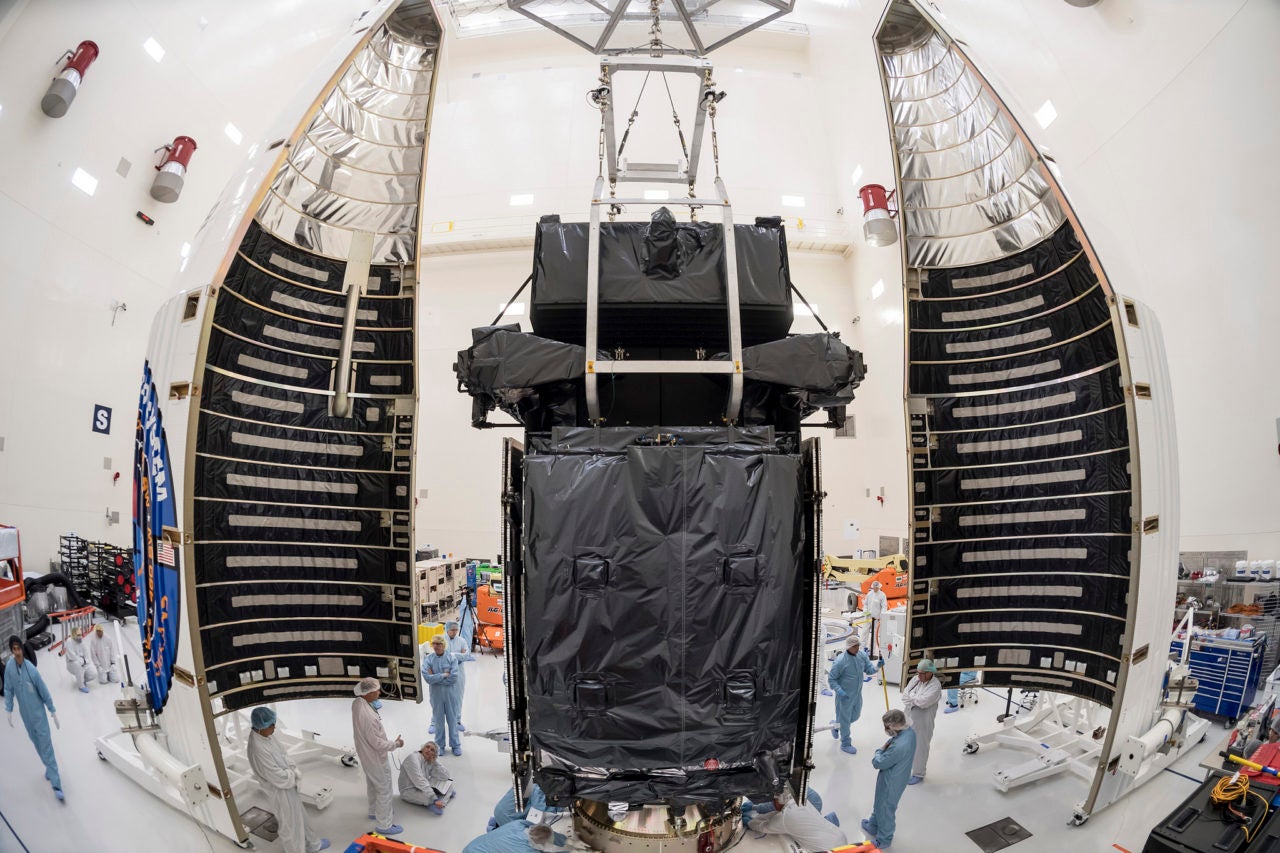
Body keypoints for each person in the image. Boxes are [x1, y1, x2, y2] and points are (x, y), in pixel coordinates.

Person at [246, 706, 330, 853]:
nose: (274, 727)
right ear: (261, 726)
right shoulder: (257, 749)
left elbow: (283, 754)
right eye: (271, 725)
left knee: (302, 817)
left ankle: (313, 845)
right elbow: (275, 776)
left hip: (288, 786)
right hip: (279, 791)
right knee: (289, 827)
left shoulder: (267, 736)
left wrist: (293, 768)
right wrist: (293, 775)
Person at [4, 635, 63, 801]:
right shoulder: (9, 668)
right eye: (14, 649)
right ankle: (48, 767)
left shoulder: (31, 670)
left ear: (22, 649)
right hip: (26, 717)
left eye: (18, 649)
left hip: (39, 716)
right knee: (37, 745)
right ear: (11, 650)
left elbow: (44, 692)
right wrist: (8, 709)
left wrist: (52, 711)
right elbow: (8, 689)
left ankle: (56, 784)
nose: (17, 652)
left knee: (46, 746)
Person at [351, 677, 404, 835]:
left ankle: (374, 811)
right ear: (367, 692)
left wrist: (371, 706)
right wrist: (396, 744)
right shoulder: (369, 717)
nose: (379, 692)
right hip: (375, 757)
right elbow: (378, 744)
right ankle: (384, 824)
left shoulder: (357, 703)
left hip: (365, 754)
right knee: (384, 789)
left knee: (373, 784)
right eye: (376, 690)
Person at [861, 709, 916, 850]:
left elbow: (878, 763)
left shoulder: (899, 746)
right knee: (880, 803)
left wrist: (879, 751)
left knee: (886, 808)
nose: (886, 729)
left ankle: (884, 839)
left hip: (891, 780)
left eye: (887, 727)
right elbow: (894, 741)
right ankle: (873, 825)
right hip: (897, 774)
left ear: (895, 725)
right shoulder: (909, 732)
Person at [827, 634, 883, 754]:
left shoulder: (862, 655)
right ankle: (845, 743)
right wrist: (839, 690)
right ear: (849, 647)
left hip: (857, 694)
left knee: (856, 716)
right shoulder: (840, 661)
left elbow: (869, 670)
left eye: (858, 645)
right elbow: (832, 679)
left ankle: (836, 725)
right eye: (855, 646)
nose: (858, 648)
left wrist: (877, 666)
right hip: (844, 697)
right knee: (845, 721)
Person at [748, 789, 847, 848]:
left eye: (773, 801)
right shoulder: (803, 802)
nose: (772, 804)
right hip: (842, 840)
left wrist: (749, 822)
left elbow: (764, 827)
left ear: (778, 801)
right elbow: (778, 813)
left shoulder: (785, 819)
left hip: (828, 849)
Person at [901, 659, 942, 784]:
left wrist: (912, 698)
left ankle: (919, 773)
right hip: (908, 717)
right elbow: (904, 695)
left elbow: (923, 703)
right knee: (906, 744)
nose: (919, 676)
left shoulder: (935, 686)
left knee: (920, 747)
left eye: (922, 673)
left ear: (930, 673)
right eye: (918, 673)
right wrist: (914, 699)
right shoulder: (916, 679)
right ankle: (906, 768)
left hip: (923, 723)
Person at [421, 635, 463, 756]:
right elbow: (427, 678)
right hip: (436, 696)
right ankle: (439, 746)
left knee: (452, 720)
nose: (436, 646)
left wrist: (435, 677)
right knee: (438, 722)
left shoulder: (452, 658)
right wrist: (444, 675)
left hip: (451, 695)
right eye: (434, 644)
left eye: (439, 644)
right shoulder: (428, 659)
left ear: (444, 645)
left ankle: (456, 745)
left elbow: (454, 677)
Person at [399, 741, 455, 814]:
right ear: (422, 748)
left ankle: (441, 800)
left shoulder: (428, 761)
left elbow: (445, 776)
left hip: (422, 786)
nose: (428, 750)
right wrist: (434, 798)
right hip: (409, 790)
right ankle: (438, 801)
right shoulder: (413, 758)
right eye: (427, 747)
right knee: (428, 798)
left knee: (448, 784)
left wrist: (434, 761)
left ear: (434, 755)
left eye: (432, 750)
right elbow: (419, 780)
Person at [462, 821, 567, 853]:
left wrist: (566, 841)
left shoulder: (518, 824)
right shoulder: (525, 851)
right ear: (539, 844)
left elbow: (545, 831)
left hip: (471, 847)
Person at [445, 620, 474, 731]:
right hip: (445, 673)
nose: (455, 632)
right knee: (440, 699)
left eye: (456, 630)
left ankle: (457, 720)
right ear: (447, 630)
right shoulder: (441, 641)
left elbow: (466, 655)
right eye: (452, 630)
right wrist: (458, 656)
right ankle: (435, 722)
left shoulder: (461, 641)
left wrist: (452, 655)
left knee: (458, 697)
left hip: (459, 674)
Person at [490, 783, 557, 829]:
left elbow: (528, 833)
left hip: (537, 790)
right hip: (532, 782)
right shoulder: (497, 812)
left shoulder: (508, 824)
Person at [65, 626, 96, 693]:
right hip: (72, 664)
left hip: (83, 662)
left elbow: (86, 653)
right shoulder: (69, 642)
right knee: (77, 665)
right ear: (73, 634)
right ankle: (81, 686)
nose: (80, 636)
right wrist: (82, 661)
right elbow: (72, 656)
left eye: (81, 634)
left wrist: (86, 661)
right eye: (78, 635)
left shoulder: (81, 641)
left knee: (94, 674)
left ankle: (82, 680)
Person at [864, 581, 888, 657]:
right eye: (873, 587)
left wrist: (881, 617)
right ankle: (862, 649)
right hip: (868, 618)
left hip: (876, 619)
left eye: (876, 587)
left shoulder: (882, 595)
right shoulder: (869, 594)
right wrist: (865, 611)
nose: (874, 588)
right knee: (864, 634)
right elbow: (865, 604)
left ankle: (872, 652)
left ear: (879, 587)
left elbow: (884, 607)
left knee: (874, 636)